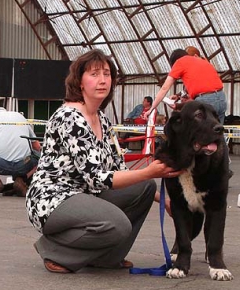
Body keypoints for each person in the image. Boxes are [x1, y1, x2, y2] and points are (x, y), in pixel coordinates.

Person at [25, 49, 182, 274]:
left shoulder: (103, 119)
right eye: (94, 74)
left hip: (85, 194)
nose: (102, 81)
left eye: (107, 74)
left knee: (145, 188)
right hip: (53, 198)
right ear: (79, 82)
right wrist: (150, 171)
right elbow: (97, 178)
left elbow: (118, 169)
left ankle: (107, 258)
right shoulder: (69, 117)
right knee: (117, 224)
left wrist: (162, 199)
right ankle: (53, 249)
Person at [145, 49, 227, 123]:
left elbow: (164, 88)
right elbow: (197, 83)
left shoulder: (180, 62)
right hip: (221, 98)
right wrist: (178, 95)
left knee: (198, 133)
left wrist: (151, 109)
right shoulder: (202, 60)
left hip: (206, 101)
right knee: (218, 133)